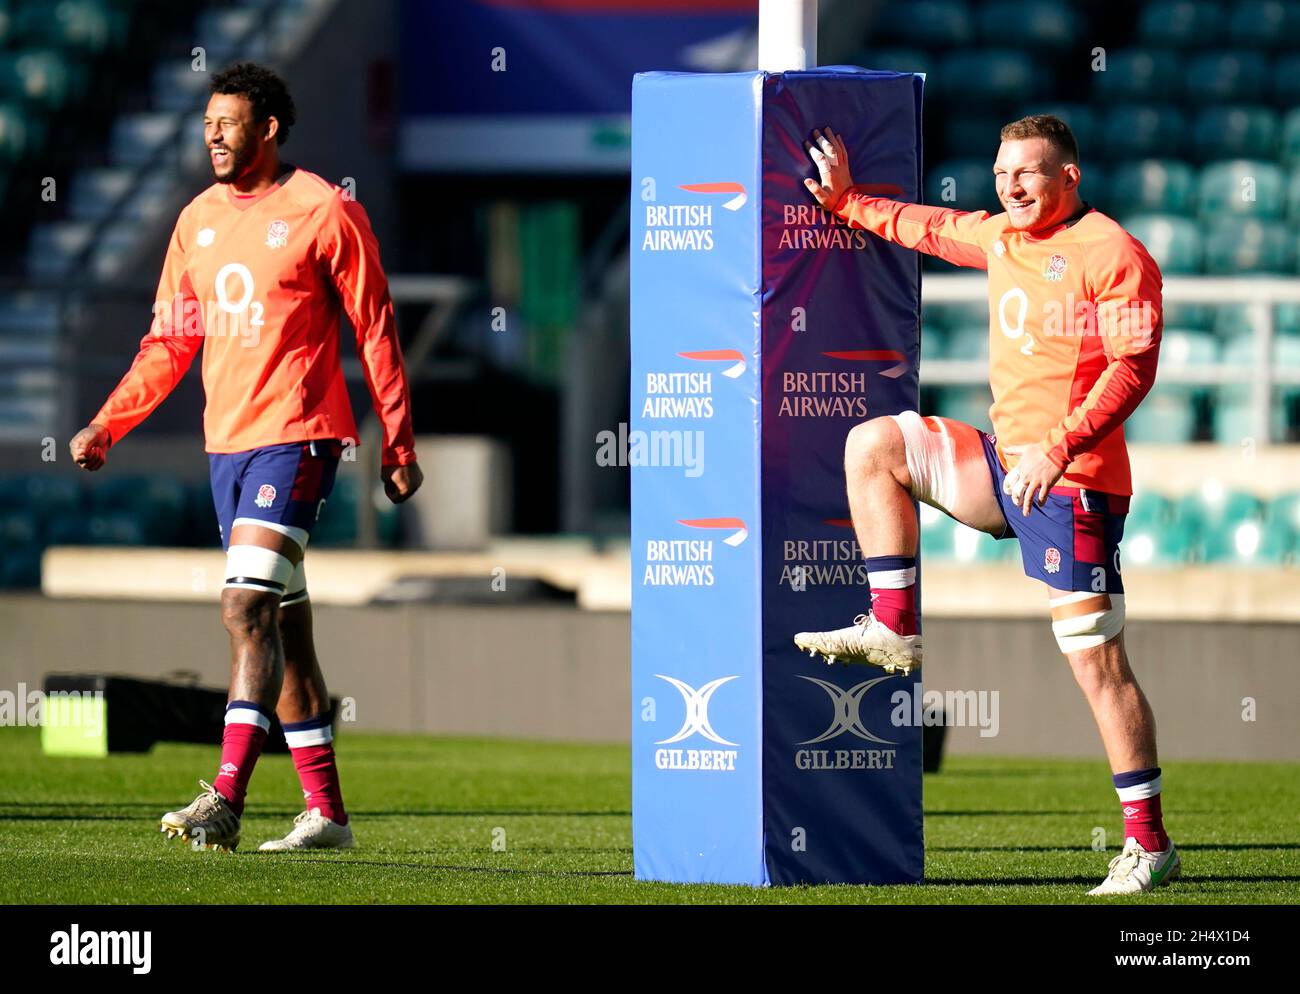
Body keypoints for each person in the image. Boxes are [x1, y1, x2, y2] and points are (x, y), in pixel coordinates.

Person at [793, 115, 1176, 896]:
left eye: (1028, 174)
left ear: (1069, 177)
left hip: (1072, 484)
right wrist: (846, 203)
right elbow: (927, 225)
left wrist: (1059, 446)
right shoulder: (1001, 236)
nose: (1011, 187)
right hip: (1005, 467)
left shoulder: (1114, 252)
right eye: (1003, 174)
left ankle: (1149, 845)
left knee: (1100, 671)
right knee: (875, 447)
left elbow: (1134, 367)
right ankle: (895, 626)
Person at [68, 62, 423, 853]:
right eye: (206, 125)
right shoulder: (195, 220)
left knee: (242, 609)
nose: (213, 136)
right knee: (284, 630)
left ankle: (226, 796)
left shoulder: (325, 210)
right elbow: (169, 342)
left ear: (267, 128)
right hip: (225, 446)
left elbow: (375, 329)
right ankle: (326, 813)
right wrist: (107, 423)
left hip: (297, 437)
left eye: (227, 123)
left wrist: (397, 440)